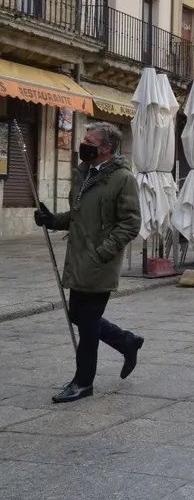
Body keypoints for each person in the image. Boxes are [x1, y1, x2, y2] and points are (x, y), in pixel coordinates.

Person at [33, 122, 143, 403]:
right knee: (80, 316)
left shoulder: (122, 179)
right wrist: (53, 219)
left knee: (87, 322)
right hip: (79, 258)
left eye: (89, 140)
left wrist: (102, 252)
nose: (83, 144)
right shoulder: (85, 173)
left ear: (106, 148)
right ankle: (126, 341)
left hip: (99, 262)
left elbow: (130, 224)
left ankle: (83, 382)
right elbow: (79, 215)